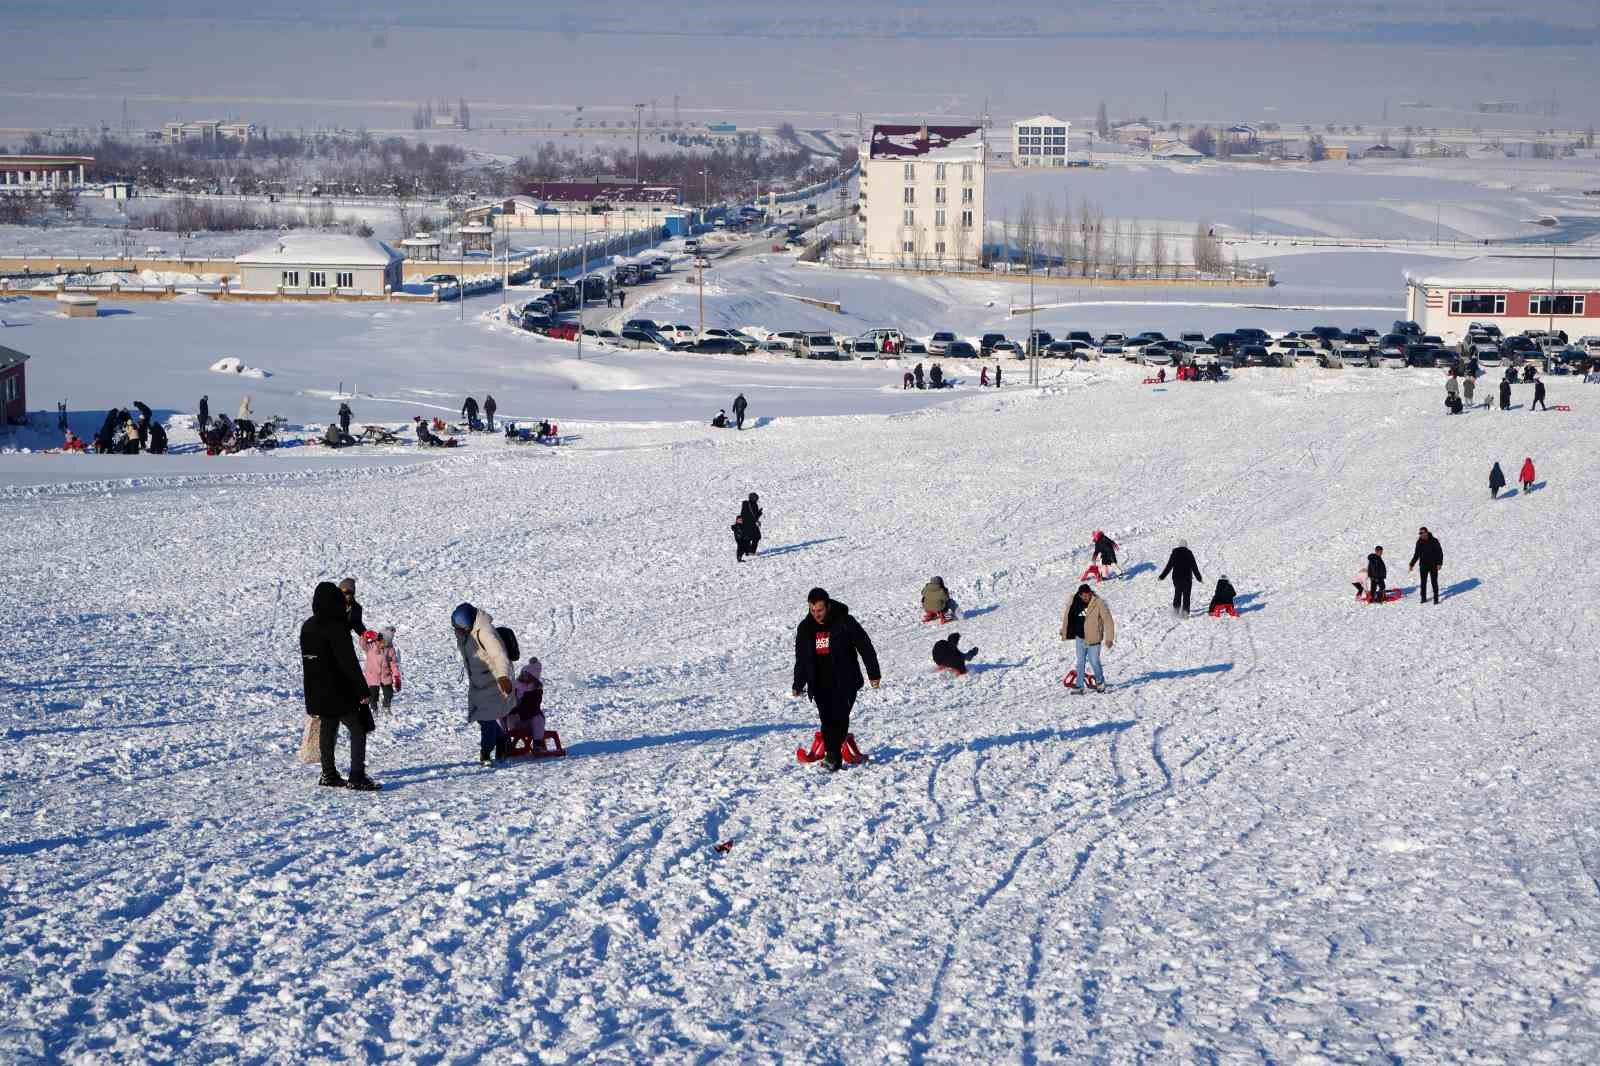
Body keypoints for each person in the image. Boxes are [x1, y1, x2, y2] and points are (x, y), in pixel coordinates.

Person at [300, 581, 379, 790]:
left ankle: (328, 774)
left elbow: (309, 663)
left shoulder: (308, 626)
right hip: (339, 691)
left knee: (328, 727)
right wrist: (363, 690)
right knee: (358, 728)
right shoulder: (335, 627)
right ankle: (357, 776)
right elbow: (348, 662)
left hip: (317, 691)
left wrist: (310, 698)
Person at [791, 588, 881, 772]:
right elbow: (801, 658)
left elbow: (865, 645)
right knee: (827, 720)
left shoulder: (844, 622)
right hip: (819, 683)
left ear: (828, 606)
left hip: (845, 680)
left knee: (839, 718)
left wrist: (874, 673)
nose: (816, 615)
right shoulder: (805, 628)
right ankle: (837, 746)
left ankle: (832, 756)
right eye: (813, 610)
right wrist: (798, 684)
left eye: (820, 610)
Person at [452, 602, 514, 767]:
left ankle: (485, 753)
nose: (457, 631)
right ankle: (502, 739)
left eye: (460, 627)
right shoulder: (464, 634)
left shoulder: (485, 633)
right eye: (456, 627)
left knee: (485, 718)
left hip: (495, 681)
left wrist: (503, 677)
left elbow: (500, 655)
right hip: (479, 682)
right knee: (482, 717)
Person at [1060, 583, 1115, 693]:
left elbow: (1108, 620)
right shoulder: (1074, 602)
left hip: (1094, 639)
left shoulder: (1098, 603)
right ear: (1080, 595)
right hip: (1080, 638)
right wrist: (1064, 630)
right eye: (1084, 596)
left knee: (1094, 661)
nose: (1087, 597)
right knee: (1080, 662)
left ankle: (1100, 682)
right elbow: (1068, 617)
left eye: (1088, 595)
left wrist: (1109, 638)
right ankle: (1079, 686)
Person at [502, 657, 546, 743]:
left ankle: (538, 743)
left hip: (529, 719)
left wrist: (516, 710)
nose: (524, 676)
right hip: (516, 720)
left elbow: (532, 707)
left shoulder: (536, 690)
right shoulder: (515, 687)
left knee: (538, 719)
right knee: (500, 716)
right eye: (523, 673)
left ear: (533, 677)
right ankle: (504, 740)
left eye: (527, 674)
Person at [361, 627, 402, 712]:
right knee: (373, 695)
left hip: (385, 675)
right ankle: (374, 709)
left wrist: (396, 677)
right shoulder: (370, 646)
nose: (382, 645)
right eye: (381, 642)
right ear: (378, 639)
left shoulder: (390, 650)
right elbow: (362, 644)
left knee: (389, 693)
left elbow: (394, 665)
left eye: (385, 643)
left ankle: (386, 707)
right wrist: (364, 635)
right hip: (372, 675)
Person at [1157, 540, 1203, 616]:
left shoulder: (1174, 553)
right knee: (1186, 594)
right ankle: (1185, 611)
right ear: (1186, 546)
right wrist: (1199, 578)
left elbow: (1169, 566)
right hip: (1187, 578)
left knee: (1177, 592)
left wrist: (1162, 576)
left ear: (1179, 545)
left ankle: (1176, 609)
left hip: (1176, 577)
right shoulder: (1189, 553)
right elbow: (1194, 567)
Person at [1409, 527, 1443, 605]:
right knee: (1423, 582)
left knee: (1434, 582)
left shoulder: (1434, 541)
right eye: (1420, 533)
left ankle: (1436, 599)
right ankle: (1423, 598)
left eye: (1423, 533)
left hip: (1433, 565)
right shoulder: (1419, 542)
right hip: (1423, 565)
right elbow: (1416, 554)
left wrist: (1439, 563)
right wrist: (1412, 564)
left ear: (1427, 532)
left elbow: (1439, 553)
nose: (1421, 534)